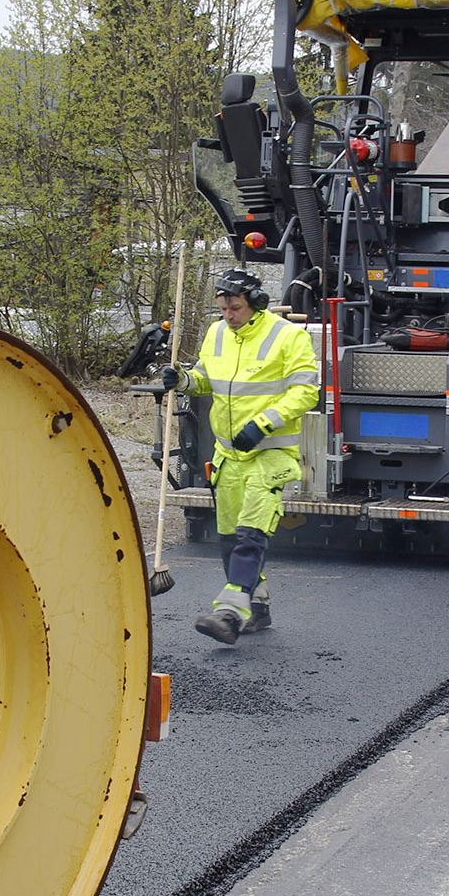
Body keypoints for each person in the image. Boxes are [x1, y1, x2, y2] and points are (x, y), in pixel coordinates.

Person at [161, 269, 320, 642]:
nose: (228, 315)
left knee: (251, 535)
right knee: (231, 538)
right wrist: (182, 379)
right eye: (223, 309)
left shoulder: (288, 337)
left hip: (270, 454)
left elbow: (305, 392)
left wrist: (262, 424)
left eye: (235, 308)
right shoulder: (217, 333)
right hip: (228, 457)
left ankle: (230, 613)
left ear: (256, 304)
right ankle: (258, 607)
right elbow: (204, 378)